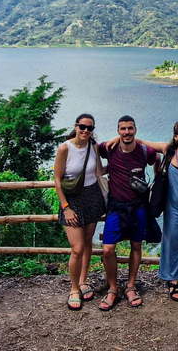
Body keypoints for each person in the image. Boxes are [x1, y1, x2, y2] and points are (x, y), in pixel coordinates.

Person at [131, 120, 178, 303]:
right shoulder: (168, 151)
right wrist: (121, 138)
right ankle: (172, 280)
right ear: (175, 136)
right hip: (171, 206)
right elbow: (143, 142)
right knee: (171, 242)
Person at [97, 115, 160, 310]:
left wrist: (157, 180)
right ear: (118, 131)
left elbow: (157, 157)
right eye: (122, 129)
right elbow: (91, 147)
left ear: (135, 130)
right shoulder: (110, 149)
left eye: (130, 128)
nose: (126, 132)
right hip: (116, 206)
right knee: (107, 249)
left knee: (136, 245)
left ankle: (131, 286)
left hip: (138, 206)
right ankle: (113, 288)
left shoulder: (143, 151)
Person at [53, 113, 105, 311]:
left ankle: (83, 281)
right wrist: (66, 207)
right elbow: (57, 180)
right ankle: (74, 288)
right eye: (82, 127)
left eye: (90, 128)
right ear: (76, 126)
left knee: (87, 242)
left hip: (92, 196)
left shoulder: (93, 147)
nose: (85, 131)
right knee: (76, 248)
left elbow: (99, 171)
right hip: (72, 199)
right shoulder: (65, 148)